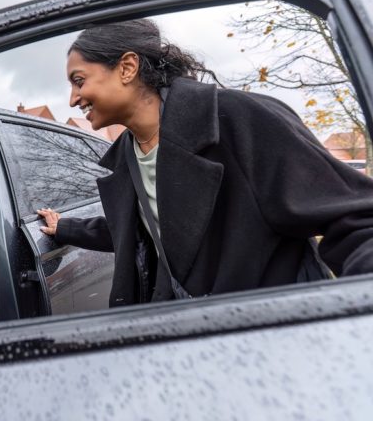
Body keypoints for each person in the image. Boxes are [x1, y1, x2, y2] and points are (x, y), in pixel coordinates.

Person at [37, 19, 373, 307]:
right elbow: (140, 231)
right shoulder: (127, 154)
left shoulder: (241, 119)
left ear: (127, 67)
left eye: (79, 81)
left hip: (272, 330)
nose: (72, 99)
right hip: (184, 336)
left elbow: (355, 220)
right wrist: (64, 228)